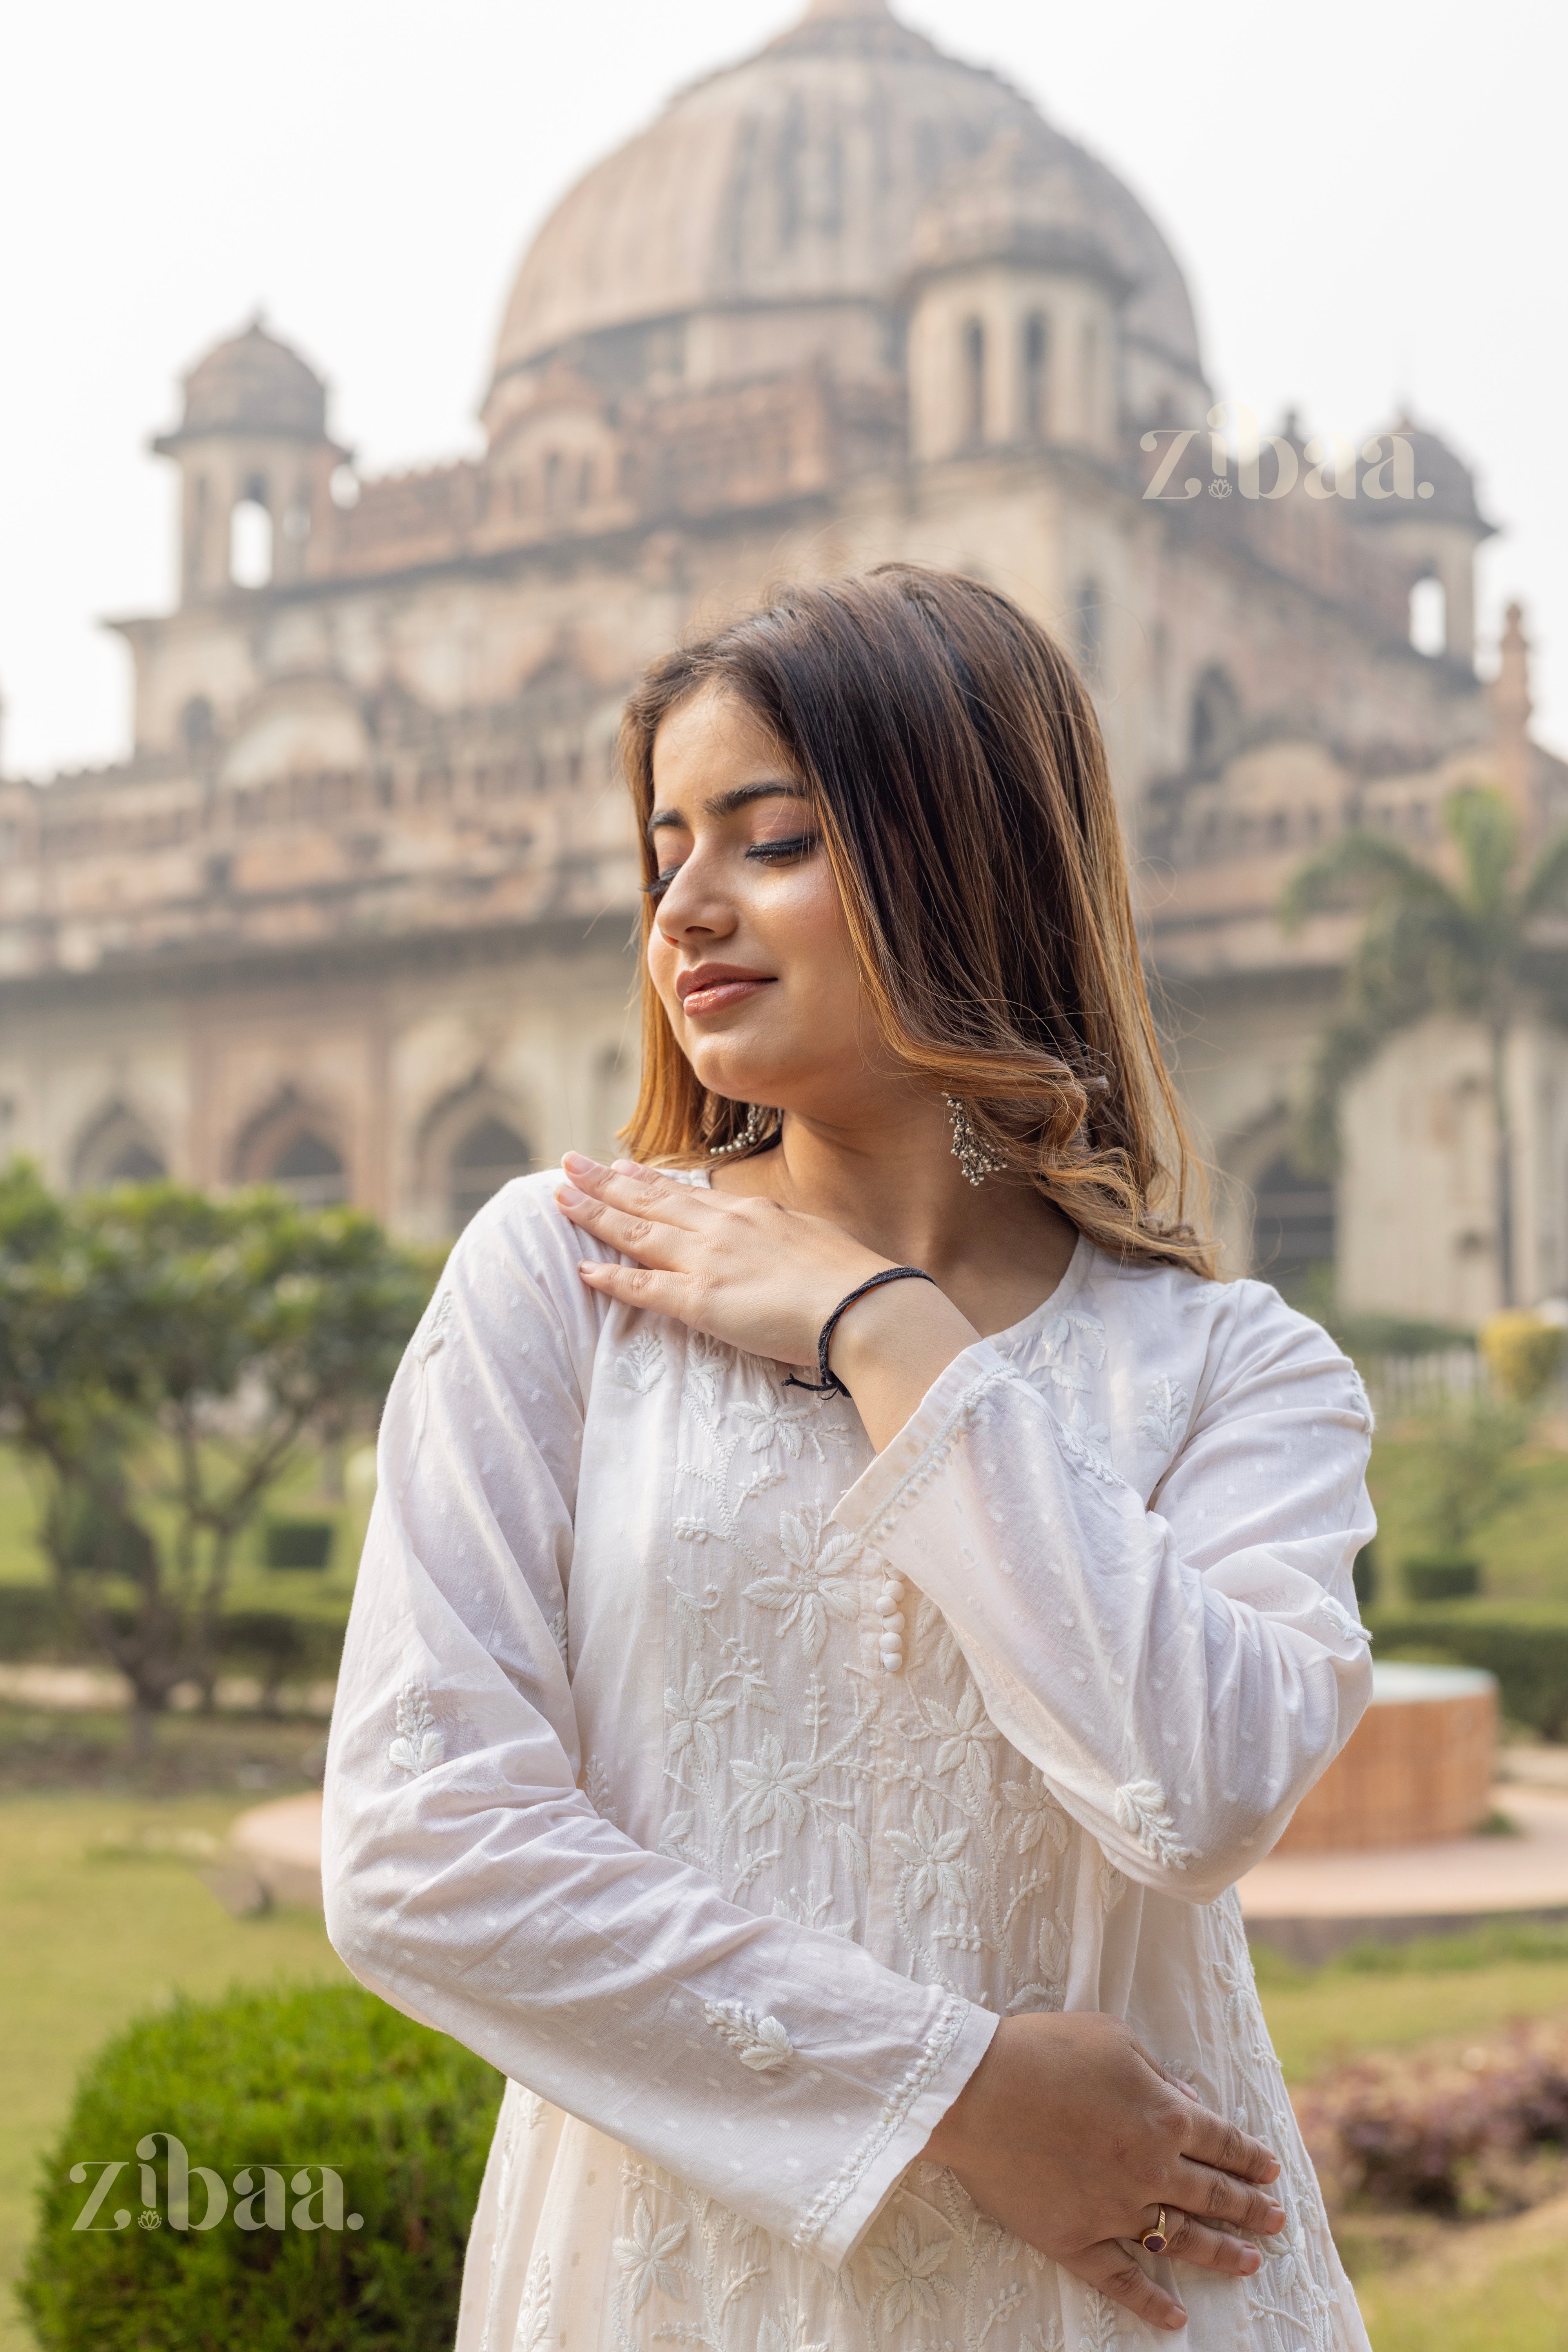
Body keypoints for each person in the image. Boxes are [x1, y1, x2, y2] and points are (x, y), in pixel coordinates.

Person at [323, 566, 1376, 2352]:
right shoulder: (568, 1274)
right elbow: (426, 1849)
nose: (686, 907)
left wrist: (887, 1337)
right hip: (681, 2279)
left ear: (967, 858)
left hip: (1125, 2298)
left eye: (773, 837)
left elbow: (1192, 1794)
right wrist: (956, 2095)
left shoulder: (1233, 1369)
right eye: (663, 850)